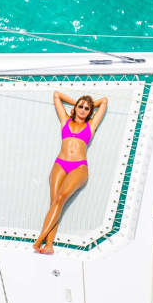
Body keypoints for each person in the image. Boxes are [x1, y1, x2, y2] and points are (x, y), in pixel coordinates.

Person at [33, 92, 108, 254]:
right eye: (80, 107)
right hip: (59, 164)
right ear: (75, 108)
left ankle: (39, 240)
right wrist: (77, 103)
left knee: (60, 199)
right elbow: (56, 95)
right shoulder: (65, 120)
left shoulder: (91, 125)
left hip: (79, 167)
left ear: (90, 112)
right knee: (54, 203)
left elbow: (104, 101)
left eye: (87, 108)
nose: (83, 110)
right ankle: (49, 246)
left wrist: (89, 103)